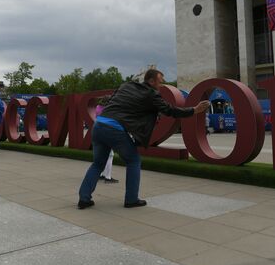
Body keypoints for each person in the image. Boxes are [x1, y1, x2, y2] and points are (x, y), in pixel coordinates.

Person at [77, 69, 210, 209]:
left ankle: (84, 199)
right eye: (160, 81)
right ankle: (131, 199)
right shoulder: (151, 94)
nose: (162, 85)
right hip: (113, 129)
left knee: (98, 164)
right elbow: (169, 110)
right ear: (151, 81)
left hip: (99, 125)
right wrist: (194, 110)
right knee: (133, 160)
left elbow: (113, 100)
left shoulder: (126, 85)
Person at [96, 96, 118, 184]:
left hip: (98, 132)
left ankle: (101, 174)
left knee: (102, 155)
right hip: (108, 133)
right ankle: (108, 177)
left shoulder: (98, 107)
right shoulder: (109, 110)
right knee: (110, 155)